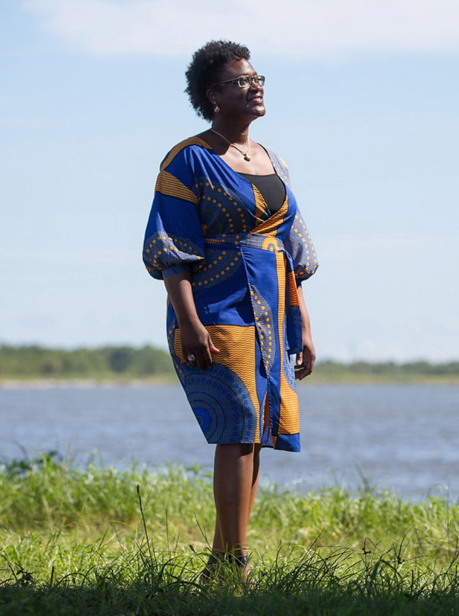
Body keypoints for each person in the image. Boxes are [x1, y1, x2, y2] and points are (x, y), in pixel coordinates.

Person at [142, 40, 318, 579]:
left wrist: (304, 327)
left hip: (272, 307)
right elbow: (172, 250)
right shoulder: (188, 158)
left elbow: (292, 252)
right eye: (242, 80)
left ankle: (221, 561)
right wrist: (190, 324)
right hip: (215, 305)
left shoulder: (274, 160)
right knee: (236, 427)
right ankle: (236, 563)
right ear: (214, 95)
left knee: (258, 431)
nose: (255, 85)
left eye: (257, 76)